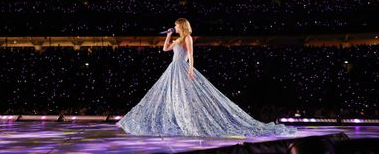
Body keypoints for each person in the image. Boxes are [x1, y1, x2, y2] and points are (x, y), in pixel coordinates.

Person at [116, 18, 297, 138]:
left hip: (182, 68)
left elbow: (192, 55)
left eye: (176, 26)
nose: (175, 27)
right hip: (173, 69)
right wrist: (169, 35)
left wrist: (191, 69)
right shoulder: (178, 39)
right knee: (175, 97)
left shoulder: (188, 38)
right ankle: (182, 120)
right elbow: (165, 49)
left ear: (182, 25)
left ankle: (191, 122)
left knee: (185, 97)